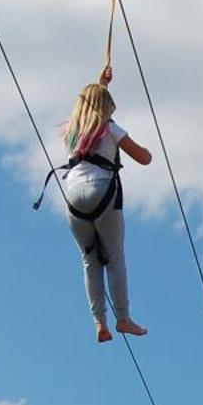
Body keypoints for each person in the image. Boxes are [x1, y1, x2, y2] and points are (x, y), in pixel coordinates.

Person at [58, 72, 153, 342]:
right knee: (114, 255)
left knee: (90, 260)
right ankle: (123, 318)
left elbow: (90, 105)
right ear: (106, 107)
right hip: (102, 193)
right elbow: (144, 158)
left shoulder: (71, 131)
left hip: (74, 199)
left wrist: (102, 85)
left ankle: (100, 322)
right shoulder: (111, 128)